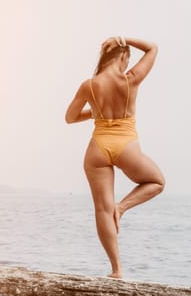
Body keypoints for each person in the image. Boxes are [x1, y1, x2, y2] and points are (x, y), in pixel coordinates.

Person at [65, 36, 165, 279]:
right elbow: (153, 48)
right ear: (123, 57)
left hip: (98, 147)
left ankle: (116, 270)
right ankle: (121, 208)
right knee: (157, 182)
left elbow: (70, 117)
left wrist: (96, 113)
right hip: (126, 146)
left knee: (101, 209)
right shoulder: (130, 79)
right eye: (125, 59)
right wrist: (124, 38)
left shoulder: (88, 85)